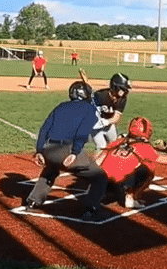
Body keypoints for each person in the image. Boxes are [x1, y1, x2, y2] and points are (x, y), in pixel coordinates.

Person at [24, 80, 109, 218]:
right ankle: (90, 208)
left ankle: (33, 201)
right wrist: (75, 152)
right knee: (100, 177)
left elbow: (44, 129)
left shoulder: (61, 106)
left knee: (51, 169)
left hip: (49, 150)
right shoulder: (89, 109)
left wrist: (39, 150)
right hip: (67, 150)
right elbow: (82, 132)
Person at [100, 116, 167, 209]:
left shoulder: (119, 141)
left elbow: (100, 158)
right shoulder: (145, 147)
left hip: (103, 182)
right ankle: (131, 197)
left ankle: (101, 192)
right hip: (120, 184)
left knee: (110, 162)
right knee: (148, 168)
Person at [90, 72, 132, 154]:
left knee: (114, 146)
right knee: (102, 147)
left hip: (109, 125)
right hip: (95, 127)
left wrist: (106, 122)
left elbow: (116, 117)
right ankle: (96, 165)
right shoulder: (100, 96)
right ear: (115, 87)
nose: (125, 91)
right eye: (123, 89)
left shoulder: (122, 99)